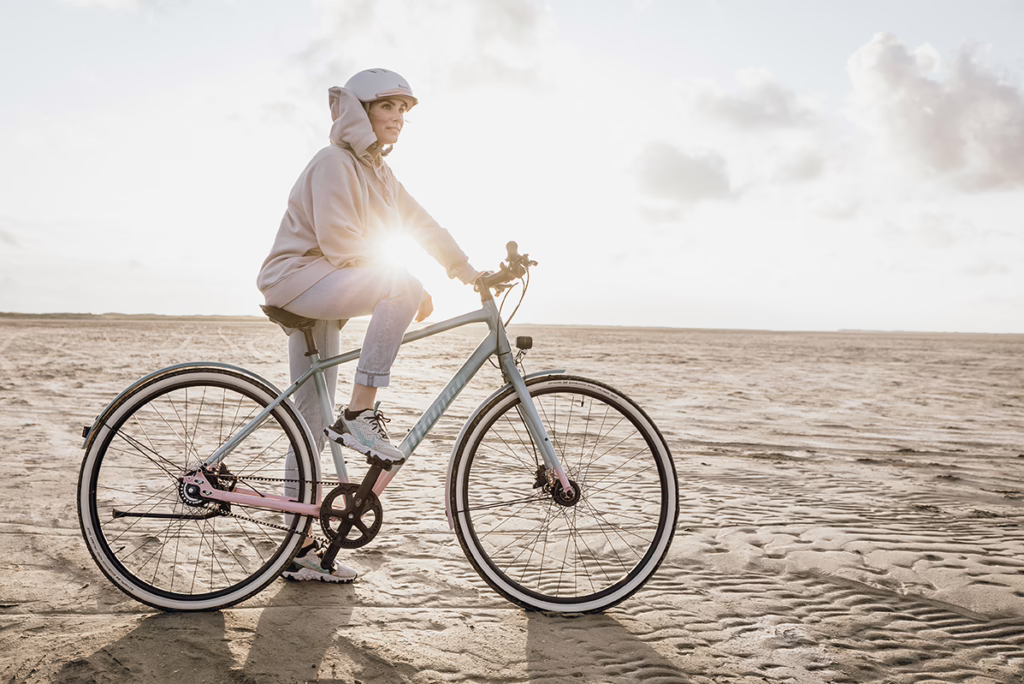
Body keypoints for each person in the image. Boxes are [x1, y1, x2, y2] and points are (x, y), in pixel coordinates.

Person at [257, 68, 478, 582]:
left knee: (308, 424)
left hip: (323, 286)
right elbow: (339, 242)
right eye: (387, 107)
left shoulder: (377, 171)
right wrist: (404, 283)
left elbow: (419, 221)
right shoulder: (334, 162)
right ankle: (361, 414)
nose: (399, 118)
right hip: (299, 279)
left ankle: (298, 546)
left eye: (404, 109)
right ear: (360, 111)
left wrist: (465, 269)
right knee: (398, 283)